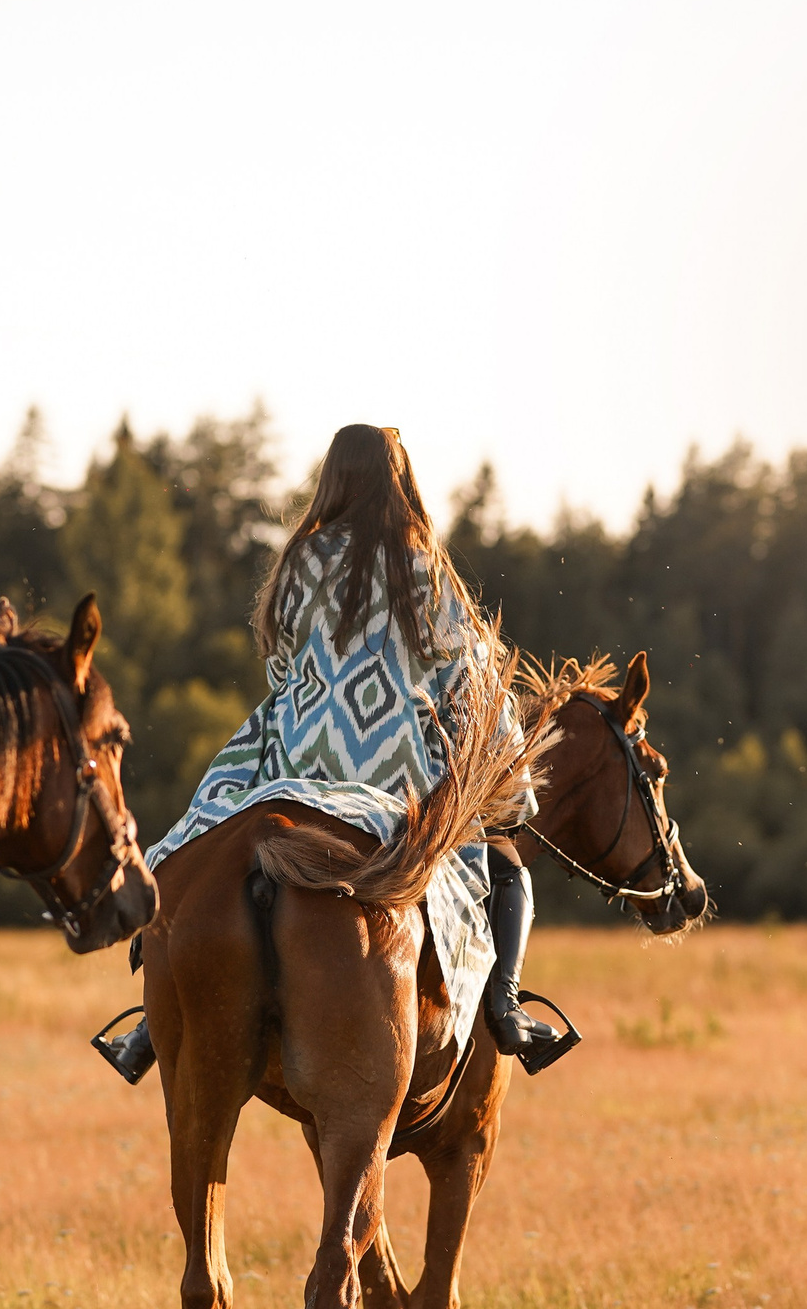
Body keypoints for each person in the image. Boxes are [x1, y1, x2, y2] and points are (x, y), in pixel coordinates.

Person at [95, 423, 576, 1083]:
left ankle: (151, 1023)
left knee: (197, 838)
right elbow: (474, 681)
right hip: (397, 768)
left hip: (295, 762)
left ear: (333, 479)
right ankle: (508, 1011)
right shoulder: (426, 567)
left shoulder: (298, 560)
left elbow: (282, 665)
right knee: (504, 865)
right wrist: (510, 790)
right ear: (399, 480)